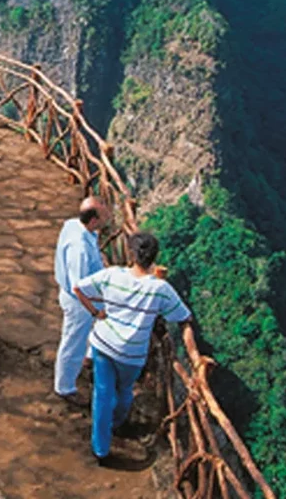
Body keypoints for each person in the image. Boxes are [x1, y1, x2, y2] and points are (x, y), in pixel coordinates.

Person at [74, 231, 192, 466]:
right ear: (154, 258)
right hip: (132, 353)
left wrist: (96, 312)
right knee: (125, 390)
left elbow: (79, 289)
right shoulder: (160, 289)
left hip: (104, 344)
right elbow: (183, 316)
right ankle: (116, 424)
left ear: (131, 254)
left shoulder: (111, 276)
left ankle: (101, 448)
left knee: (103, 393)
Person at [53, 195, 111, 407]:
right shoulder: (80, 249)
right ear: (94, 220)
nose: (109, 218)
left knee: (90, 331)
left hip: (80, 294)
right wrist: (95, 311)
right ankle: (65, 387)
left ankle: (88, 357)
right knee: (72, 342)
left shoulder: (74, 226)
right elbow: (78, 288)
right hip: (78, 302)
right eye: (105, 215)